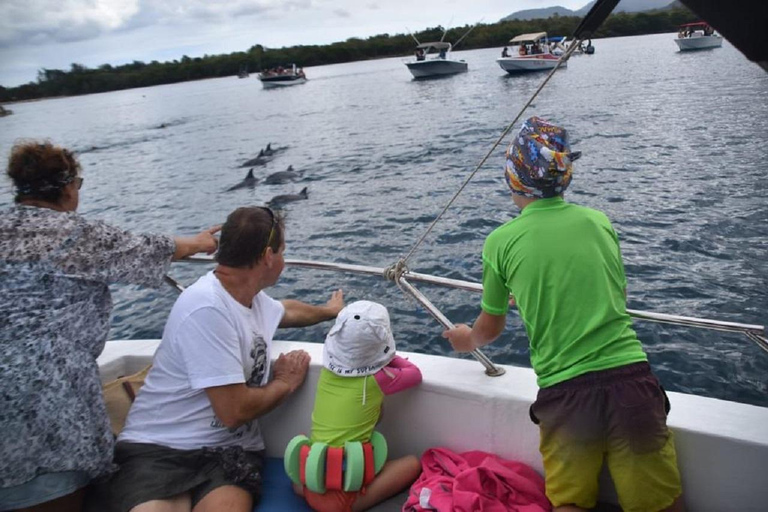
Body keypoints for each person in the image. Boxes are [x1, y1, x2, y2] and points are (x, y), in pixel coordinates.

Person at [442, 117, 685, 512]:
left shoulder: (500, 242)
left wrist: (465, 339)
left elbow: (490, 327)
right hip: (632, 381)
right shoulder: (598, 221)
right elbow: (617, 295)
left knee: (570, 502)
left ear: (512, 176)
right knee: (659, 501)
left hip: (566, 394)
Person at [0, 141, 219, 512]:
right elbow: (149, 248)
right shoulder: (75, 234)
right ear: (67, 188)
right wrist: (200, 242)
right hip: (47, 397)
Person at [93, 206, 345, 512]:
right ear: (268, 256)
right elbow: (234, 411)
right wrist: (284, 383)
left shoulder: (250, 298)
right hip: (160, 447)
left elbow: (286, 311)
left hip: (230, 451)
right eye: (282, 251)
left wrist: (329, 311)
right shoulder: (207, 308)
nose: (283, 259)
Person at [289, 300, 422, 512]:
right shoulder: (379, 378)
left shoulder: (327, 371)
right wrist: (386, 356)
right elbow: (414, 374)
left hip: (309, 482)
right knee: (413, 463)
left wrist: (372, 355)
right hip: (341, 501)